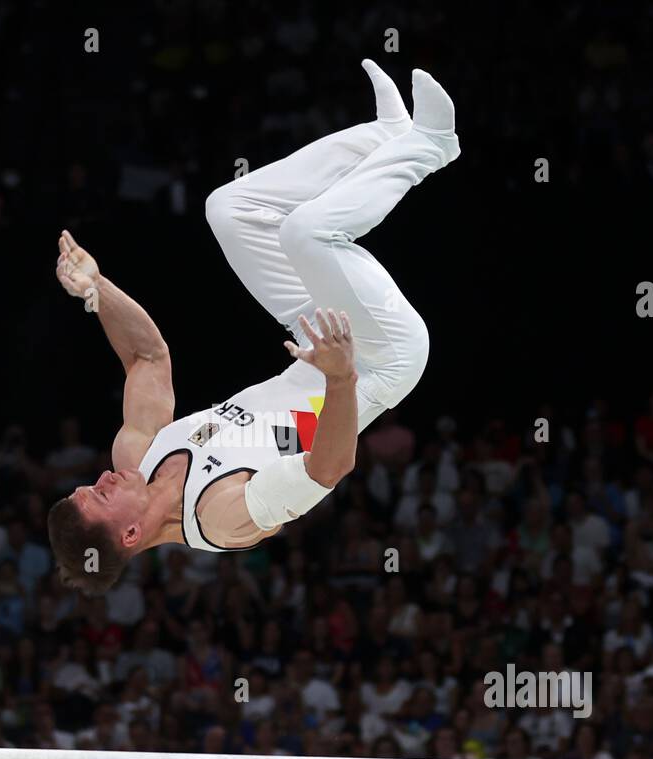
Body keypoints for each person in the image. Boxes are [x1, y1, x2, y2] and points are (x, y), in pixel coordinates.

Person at [48, 61, 460, 594]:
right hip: (378, 361)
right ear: (129, 533)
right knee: (307, 234)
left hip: (318, 338)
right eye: (100, 495)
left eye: (90, 485)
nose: (101, 478)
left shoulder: (135, 458)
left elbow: (146, 359)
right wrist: (340, 380)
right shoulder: (222, 518)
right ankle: (431, 144)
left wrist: (97, 289)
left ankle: (384, 137)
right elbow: (326, 469)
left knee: (230, 209)